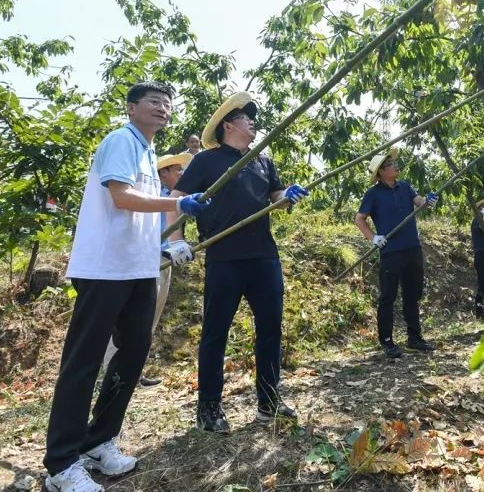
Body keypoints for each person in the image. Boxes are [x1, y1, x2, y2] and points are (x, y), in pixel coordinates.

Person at [42, 82, 209, 492]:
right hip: (104, 270)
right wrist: (177, 202)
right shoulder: (121, 140)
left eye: (168, 104)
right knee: (83, 362)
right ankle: (61, 464)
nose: (163, 109)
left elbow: (143, 215)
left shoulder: (148, 153)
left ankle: (98, 440)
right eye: (154, 102)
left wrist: (169, 243)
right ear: (132, 108)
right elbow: (122, 198)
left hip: (138, 269)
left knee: (132, 354)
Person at [170, 91, 309, 434]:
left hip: (263, 256)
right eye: (247, 119)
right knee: (215, 334)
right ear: (229, 125)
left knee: (270, 330)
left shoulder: (262, 160)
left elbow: (276, 199)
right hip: (223, 259)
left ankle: (269, 401)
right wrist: (176, 242)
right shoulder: (206, 161)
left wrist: (287, 195)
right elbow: (176, 201)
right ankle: (209, 408)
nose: (253, 124)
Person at [100, 152, 192, 388]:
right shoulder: (152, 197)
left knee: (150, 320)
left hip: (164, 261)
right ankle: (113, 372)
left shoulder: (175, 200)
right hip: (145, 261)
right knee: (130, 321)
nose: (181, 174)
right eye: (176, 170)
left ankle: (134, 372)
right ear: (163, 173)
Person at [354, 150, 439, 359]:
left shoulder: (405, 186)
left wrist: (429, 201)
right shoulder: (373, 194)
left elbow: (420, 203)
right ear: (382, 172)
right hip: (391, 252)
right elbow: (359, 219)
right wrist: (373, 237)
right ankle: (387, 341)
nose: (395, 166)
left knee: (413, 295)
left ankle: (414, 338)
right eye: (391, 164)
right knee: (388, 297)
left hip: (412, 248)